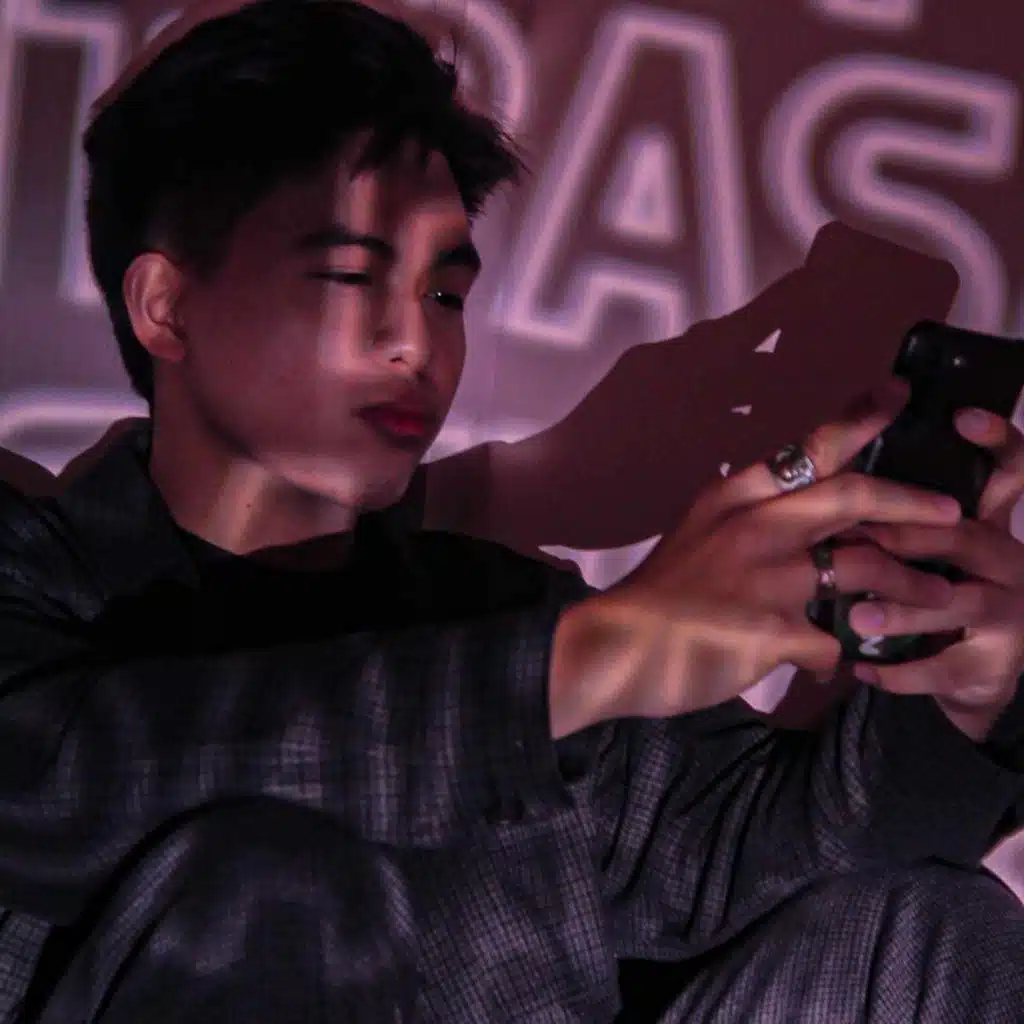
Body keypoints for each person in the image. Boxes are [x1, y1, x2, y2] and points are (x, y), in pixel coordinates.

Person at [3, 1, 1024, 1020]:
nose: (415, 342)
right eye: (349, 276)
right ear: (167, 306)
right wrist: (587, 662)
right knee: (276, 893)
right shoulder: (32, 575)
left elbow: (765, 860)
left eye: (444, 295)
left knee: (932, 925)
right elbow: (65, 781)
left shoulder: (500, 610)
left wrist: (957, 691)